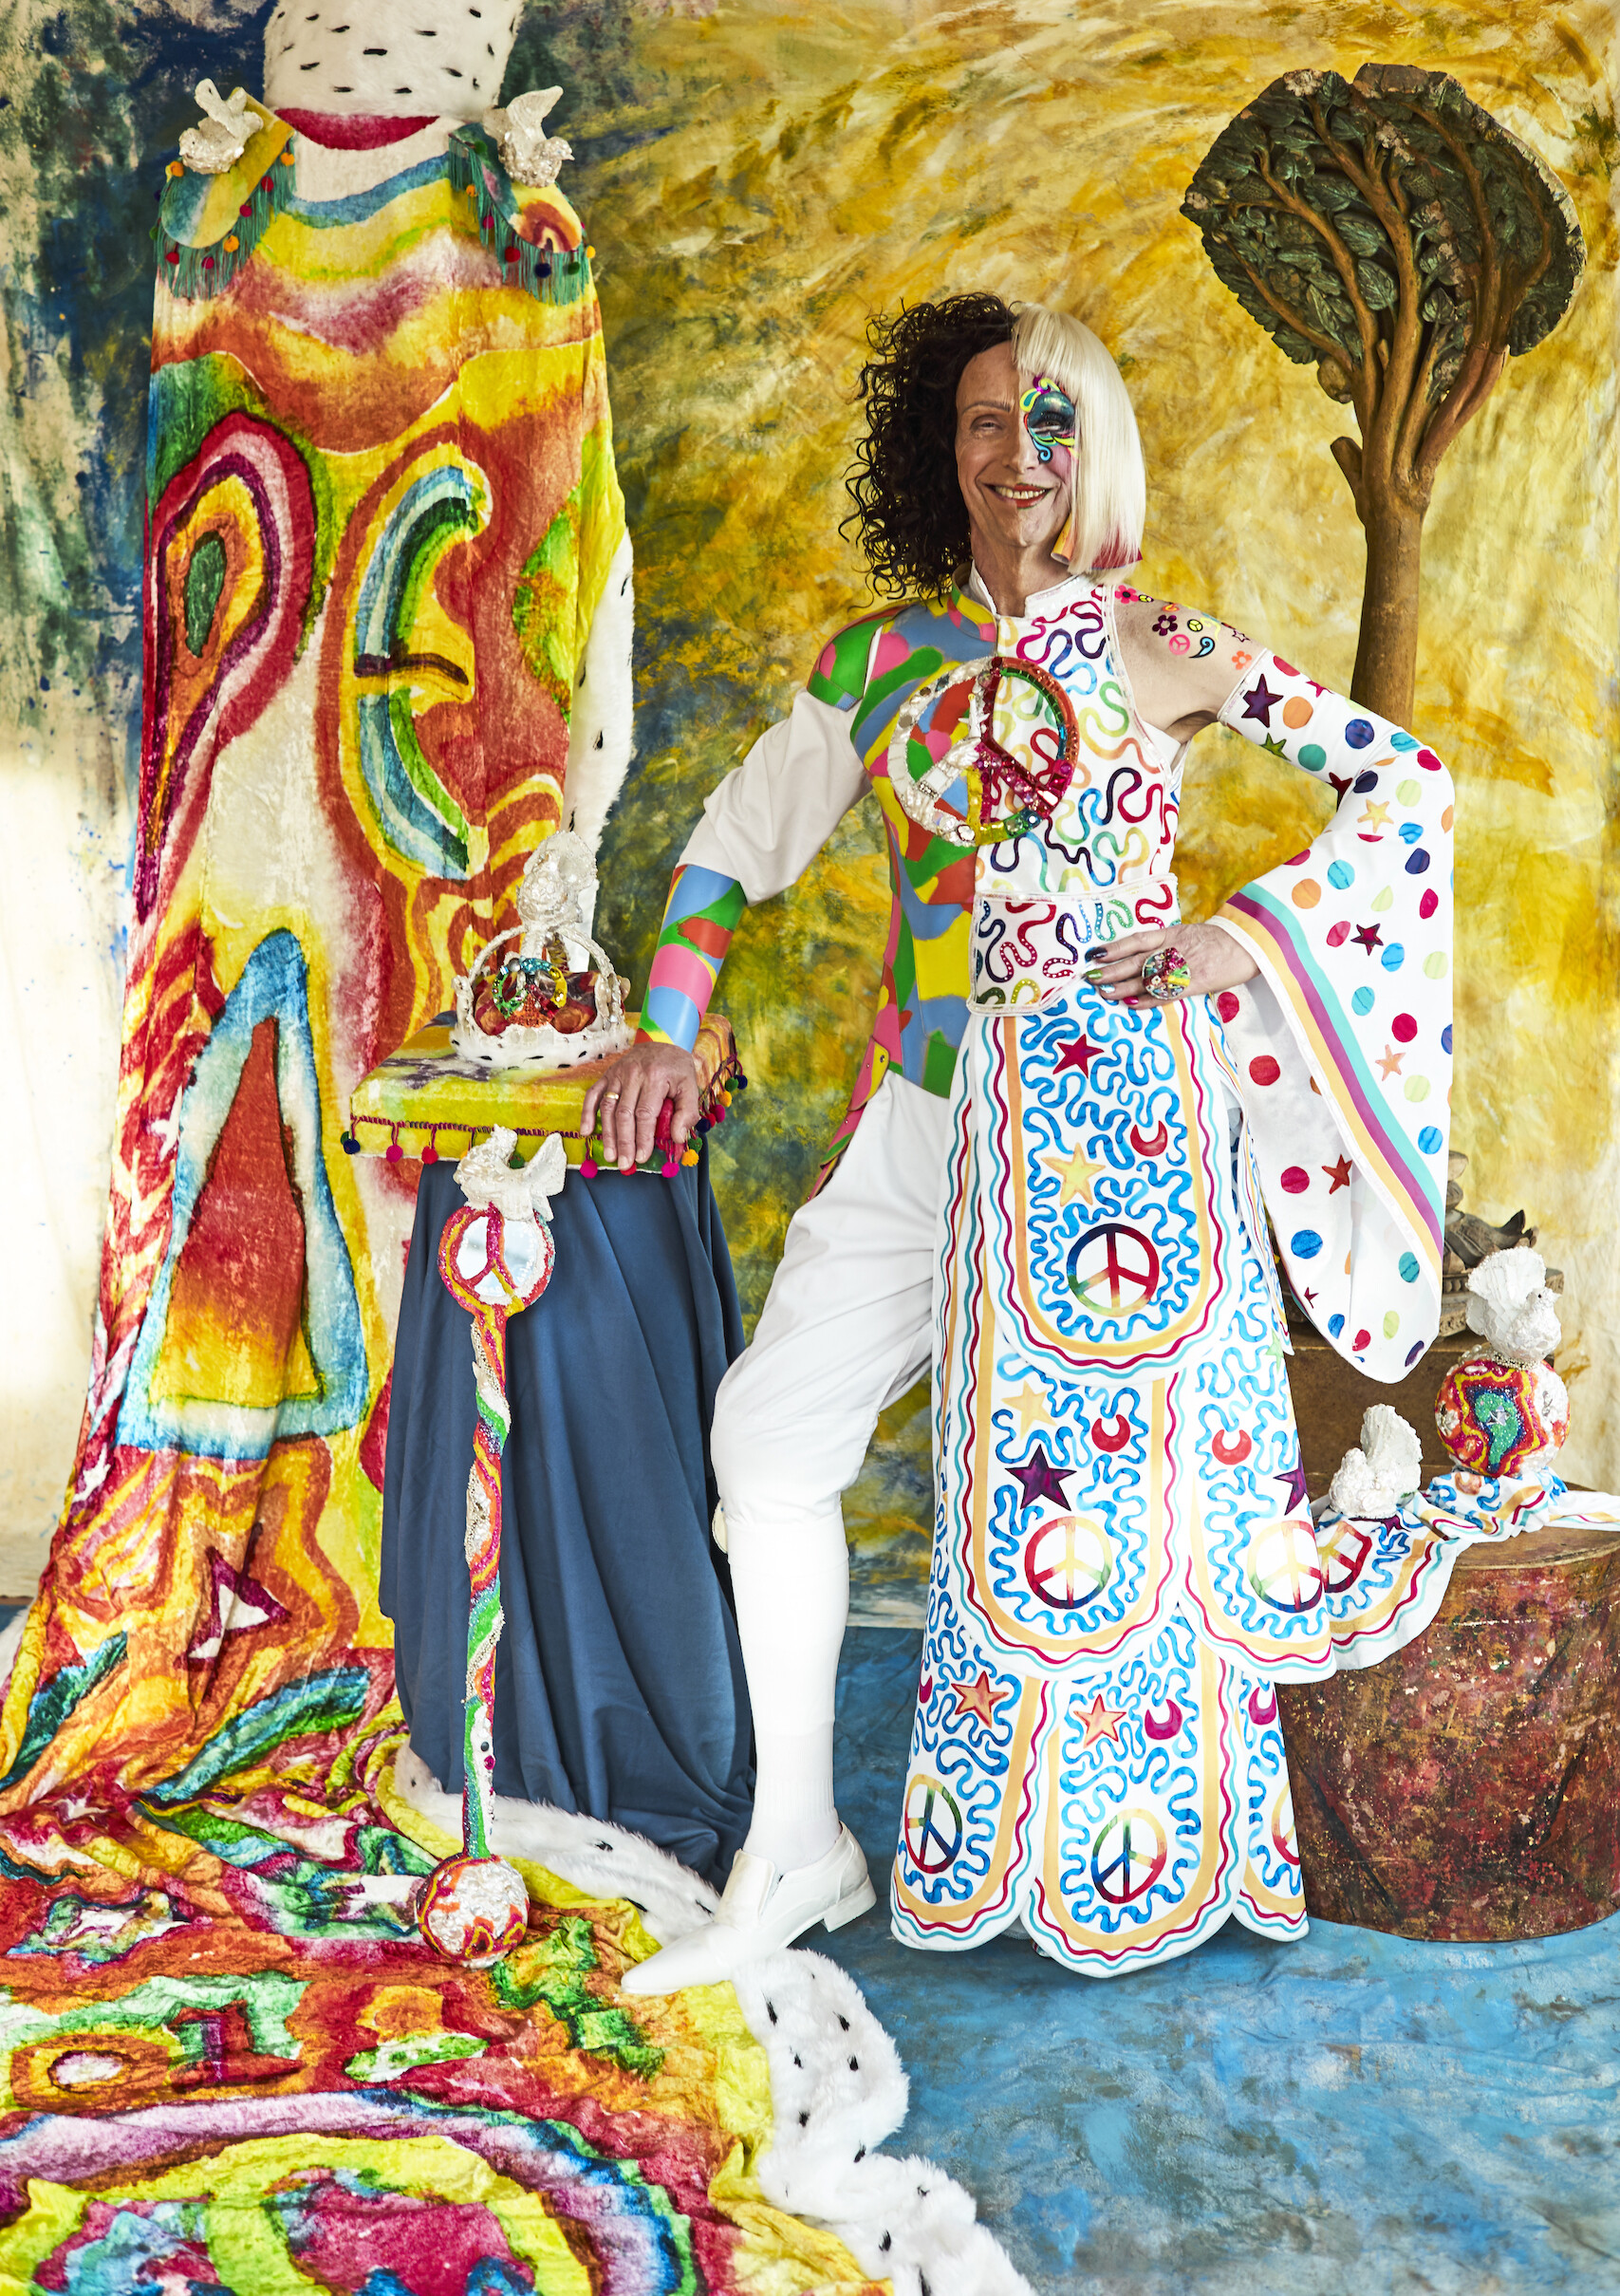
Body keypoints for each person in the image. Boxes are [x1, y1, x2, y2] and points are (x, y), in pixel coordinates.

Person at [587, 292, 1453, 1989]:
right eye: (986, 420)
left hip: (1108, 1145)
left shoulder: (1167, 646)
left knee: (1111, 1514)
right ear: (948, 451)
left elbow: (1400, 783)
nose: (1018, 454)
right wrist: (667, 1026)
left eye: (1051, 421)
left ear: (1094, 447)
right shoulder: (879, 667)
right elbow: (731, 851)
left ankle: (1131, 1848)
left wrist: (1246, 936)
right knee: (768, 1441)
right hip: (927, 1120)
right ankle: (797, 1848)